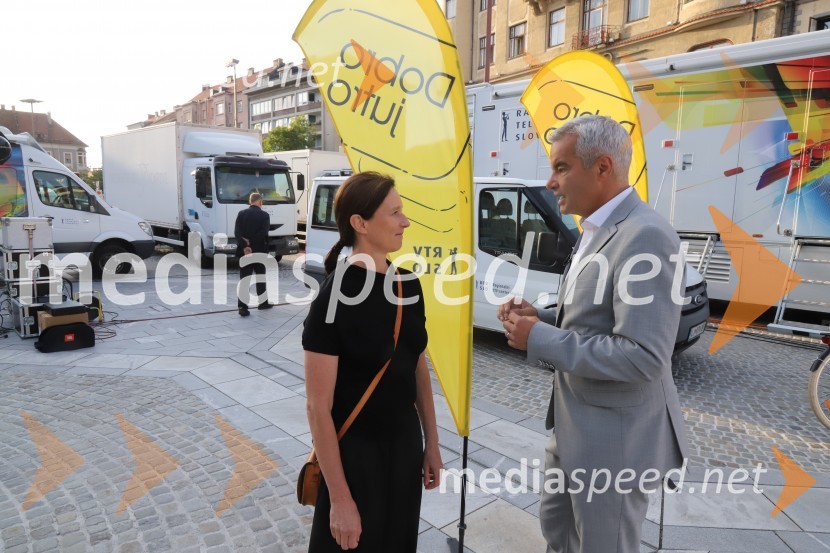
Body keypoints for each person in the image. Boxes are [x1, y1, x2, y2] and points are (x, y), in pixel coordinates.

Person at [498, 115, 688, 553]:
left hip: (614, 442)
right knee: (558, 534)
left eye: (561, 168)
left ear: (603, 167)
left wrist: (539, 340)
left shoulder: (646, 236)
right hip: (575, 426)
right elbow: (592, 320)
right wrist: (540, 321)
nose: (551, 182)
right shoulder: (595, 229)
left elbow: (642, 355)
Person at [303, 172, 442, 552]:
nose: (405, 221)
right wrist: (341, 500)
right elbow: (318, 407)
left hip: (404, 450)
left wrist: (431, 442)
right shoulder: (335, 295)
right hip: (354, 460)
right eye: (395, 212)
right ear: (360, 223)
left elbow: (417, 367)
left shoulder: (408, 285)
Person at [234, 192, 271, 316]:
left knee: (245, 279)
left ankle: (242, 307)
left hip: (245, 252)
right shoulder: (264, 215)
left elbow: (237, 233)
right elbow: (263, 232)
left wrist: (246, 245)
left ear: (250, 202)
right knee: (261, 277)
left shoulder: (241, 214)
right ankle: (263, 303)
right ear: (260, 202)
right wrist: (252, 243)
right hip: (259, 251)